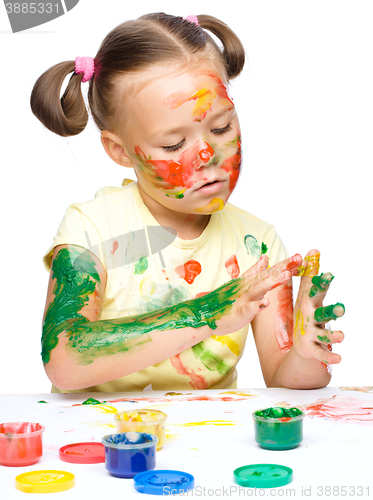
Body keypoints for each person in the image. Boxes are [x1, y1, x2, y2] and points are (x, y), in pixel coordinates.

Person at [31, 13, 345, 393]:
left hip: (207, 442)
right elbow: (63, 359)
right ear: (120, 150)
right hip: (101, 441)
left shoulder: (255, 244)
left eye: (221, 127)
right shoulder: (93, 229)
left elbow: (284, 379)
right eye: (174, 144)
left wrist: (307, 352)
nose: (207, 153)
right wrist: (210, 312)